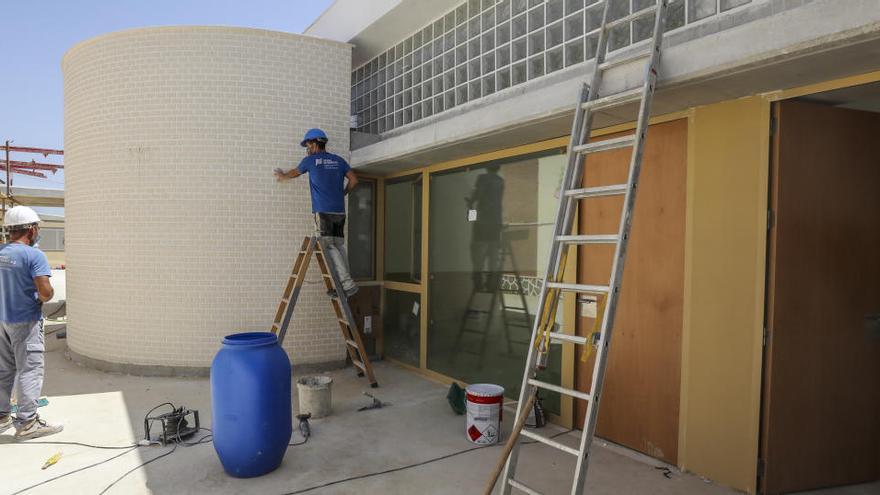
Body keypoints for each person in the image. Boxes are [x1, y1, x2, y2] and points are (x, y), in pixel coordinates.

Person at [0, 205, 62, 439]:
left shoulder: (1, 252)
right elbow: (45, 293)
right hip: (25, 321)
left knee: (4, 370)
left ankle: (2, 416)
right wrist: (44, 293)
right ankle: (27, 423)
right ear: (31, 229)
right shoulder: (34, 255)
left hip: (2, 319)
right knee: (30, 369)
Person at [275, 128, 359, 298]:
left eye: (308, 144)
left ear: (314, 144)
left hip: (323, 211)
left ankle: (348, 284)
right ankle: (345, 283)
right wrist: (342, 194)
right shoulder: (338, 160)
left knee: (328, 245)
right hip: (339, 211)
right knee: (338, 245)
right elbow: (354, 180)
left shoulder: (310, 160)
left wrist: (283, 176)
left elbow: (295, 172)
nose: (307, 148)